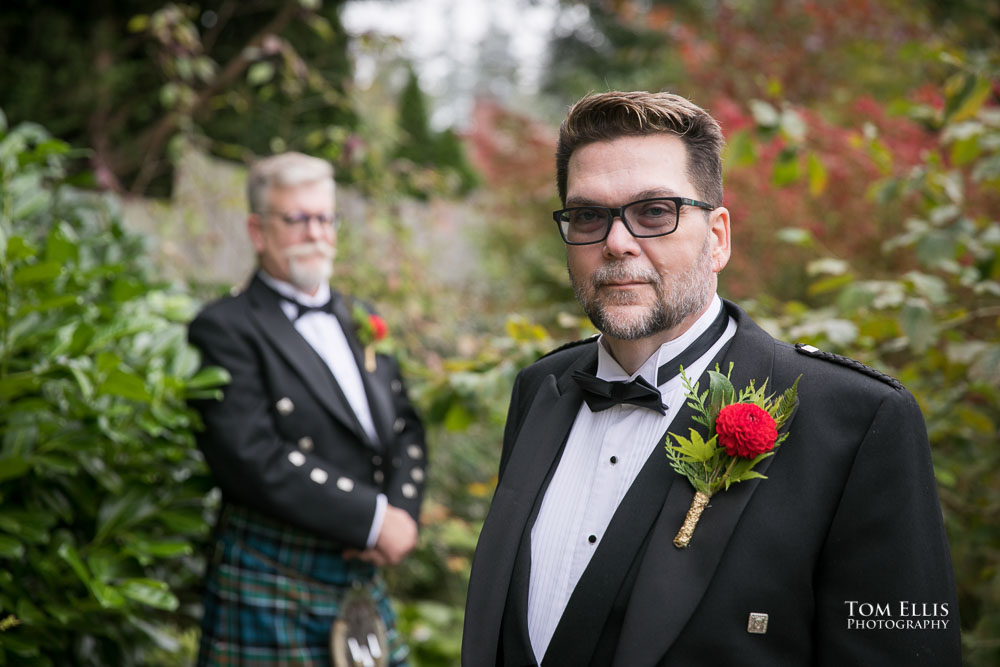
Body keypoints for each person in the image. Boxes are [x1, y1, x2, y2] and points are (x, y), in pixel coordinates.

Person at [462, 92, 960, 666]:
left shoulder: (856, 421)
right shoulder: (540, 388)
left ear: (718, 237)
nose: (617, 242)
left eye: (654, 212)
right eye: (588, 216)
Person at [189, 152, 426, 666]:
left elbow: (405, 424)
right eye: (296, 219)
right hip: (271, 568)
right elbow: (250, 454)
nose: (314, 232)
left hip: (355, 574)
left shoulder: (361, 317)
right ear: (258, 230)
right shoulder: (225, 327)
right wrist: (370, 518)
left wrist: (402, 512)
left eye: (324, 218)